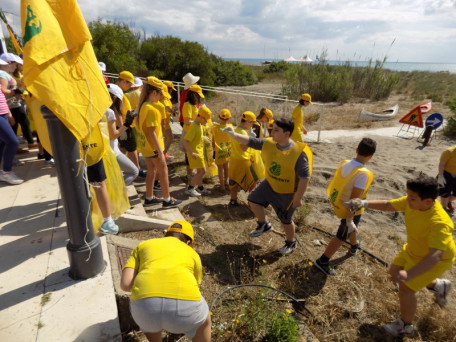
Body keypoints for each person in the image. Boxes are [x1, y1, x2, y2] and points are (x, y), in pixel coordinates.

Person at [345, 175, 455, 337]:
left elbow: (435, 255)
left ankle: (405, 326)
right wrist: (363, 203)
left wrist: (410, 274)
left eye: (412, 198)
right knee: (393, 272)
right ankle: (439, 286)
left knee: (406, 288)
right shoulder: (414, 202)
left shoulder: (439, 223)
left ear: (428, 202)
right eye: (408, 196)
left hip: (435, 259)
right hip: (413, 249)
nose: (407, 201)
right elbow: (390, 205)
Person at [224, 117, 312, 255]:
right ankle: (263, 224)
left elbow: (304, 178)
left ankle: (290, 243)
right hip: (270, 183)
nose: (272, 132)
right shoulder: (270, 143)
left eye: (276, 130)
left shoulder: (298, 153)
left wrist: (298, 198)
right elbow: (250, 141)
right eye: (272, 129)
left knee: (286, 220)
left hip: (287, 191)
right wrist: (233, 134)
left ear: (287, 133)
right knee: (253, 199)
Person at [120, 220, 211, 342]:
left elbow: (125, 285)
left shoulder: (143, 245)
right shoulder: (192, 253)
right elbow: (195, 284)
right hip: (185, 312)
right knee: (205, 321)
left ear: (166, 235)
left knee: (150, 322)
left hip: (145, 310)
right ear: (188, 242)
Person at [314, 138, 376, 275]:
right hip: (350, 209)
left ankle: (354, 246)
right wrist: (349, 220)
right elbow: (354, 199)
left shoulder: (346, 163)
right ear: (371, 156)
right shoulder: (363, 174)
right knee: (342, 235)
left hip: (339, 202)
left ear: (357, 150)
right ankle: (322, 261)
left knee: (352, 229)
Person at [135, 76, 182, 208]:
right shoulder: (152, 109)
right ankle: (167, 199)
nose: (162, 97)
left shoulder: (144, 105)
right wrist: (161, 152)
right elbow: (152, 132)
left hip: (146, 147)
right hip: (154, 147)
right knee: (163, 171)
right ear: (154, 92)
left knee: (152, 171)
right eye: (161, 94)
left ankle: (149, 197)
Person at [0, 53, 36, 151]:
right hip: (9, 106)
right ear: (9, 63)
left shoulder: (5, 74)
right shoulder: (2, 74)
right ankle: (14, 149)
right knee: (13, 128)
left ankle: (25, 144)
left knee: (23, 122)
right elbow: (2, 91)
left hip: (13, 104)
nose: (16, 66)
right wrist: (15, 91)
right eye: (15, 64)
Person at [106, 84, 139, 185]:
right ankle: (115, 193)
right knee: (134, 171)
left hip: (104, 150)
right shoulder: (109, 112)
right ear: (115, 98)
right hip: (112, 151)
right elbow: (113, 135)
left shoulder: (97, 108)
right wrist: (127, 124)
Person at [227, 111, 258, 206]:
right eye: (252, 123)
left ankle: (233, 200)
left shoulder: (234, 129)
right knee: (253, 182)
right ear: (248, 121)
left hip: (233, 159)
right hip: (243, 160)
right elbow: (243, 148)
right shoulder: (243, 132)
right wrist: (250, 139)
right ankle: (251, 203)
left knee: (234, 181)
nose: (252, 126)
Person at [183, 107, 212, 197]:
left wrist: (204, 138)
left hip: (199, 151)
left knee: (200, 171)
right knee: (202, 172)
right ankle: (190, 188)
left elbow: (198, 136)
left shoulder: (199, 125)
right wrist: (191, 153)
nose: (206, 122)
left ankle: (200, 187)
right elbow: (185, 141)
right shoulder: (194, 127)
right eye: (206, 120)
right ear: (201, 117)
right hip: (195, 153)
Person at [116, 71, 141, 175]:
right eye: (129, 84)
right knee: (132, 147)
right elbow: (116, 111)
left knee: (123, 148)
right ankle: (137, 170)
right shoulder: (116, 92)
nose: (131, 86)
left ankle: (118, 168)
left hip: (125, 124)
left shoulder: (119, 91)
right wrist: (122, 128)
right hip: (124, 125)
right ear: (123, 81)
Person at [0, 79, 23, 185]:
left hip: (4, 113)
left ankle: (4, 173)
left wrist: (8, 113)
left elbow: (2, 97)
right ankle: (7, 172)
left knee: (3, 143)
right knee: (13, 142)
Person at [182, 84, 205, 183]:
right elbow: (187, 121)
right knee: (189, 154)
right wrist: (197, 122)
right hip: (189, 131)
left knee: (195, 154)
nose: (199, 98)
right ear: (193, 95)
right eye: (198, 96)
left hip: (195, 131)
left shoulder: (194, 105)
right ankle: (189, 175)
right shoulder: (187, 105)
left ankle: (194, 176)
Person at [212, 109, 233, 191]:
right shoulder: (230, 127)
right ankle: (226, 182)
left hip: (219, 150)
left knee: (220, 168)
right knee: (226, 166)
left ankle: (222, 186)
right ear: (228, 119)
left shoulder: (215, 128)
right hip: (228, 149)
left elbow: (213, 140)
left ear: (219, 117)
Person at [437, 146, 456, 213]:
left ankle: (448, 201)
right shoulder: (449, 151)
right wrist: (440, 176)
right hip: (446, 174)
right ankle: (443, 207)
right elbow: (441, 164)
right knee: (445, 193)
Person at [162, 80, 176, 160]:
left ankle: (163, 153)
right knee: (170, 138)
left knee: (167, 138)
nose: (171, 91)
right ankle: (162, 155)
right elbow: (167, 108)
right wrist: (173, 110)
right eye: (171, 89)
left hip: (165, 121)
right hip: (164, 122)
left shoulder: (165, 97)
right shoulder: (165, 98)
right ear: (168, 89)